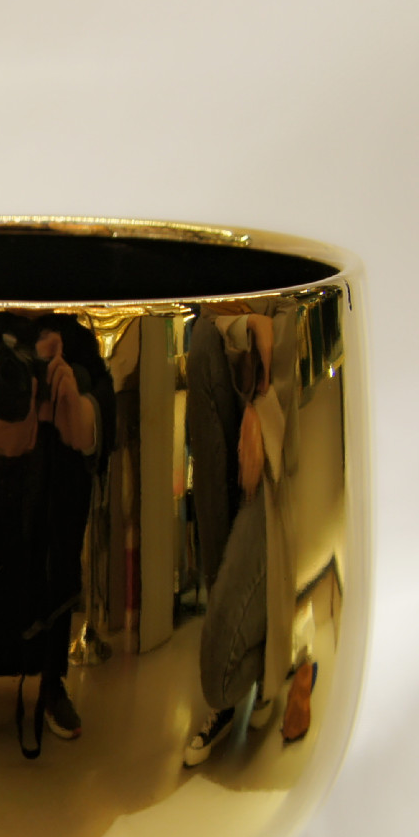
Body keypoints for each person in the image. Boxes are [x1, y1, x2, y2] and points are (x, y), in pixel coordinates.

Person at [0, 312, 107, 756]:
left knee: (58, 575)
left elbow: (106, 411)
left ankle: (53, 684)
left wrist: (82, 412)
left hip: (59, 487)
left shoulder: (76, 334)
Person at [182, 310, 310, 767]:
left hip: (274, 478)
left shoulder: (296, 296)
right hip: (226, 457)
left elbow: (290, 356)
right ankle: (258, 669)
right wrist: (244, 325)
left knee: (219, 677)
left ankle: (275, 660)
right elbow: (218, 322)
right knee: (203, 337)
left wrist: (261, 409)